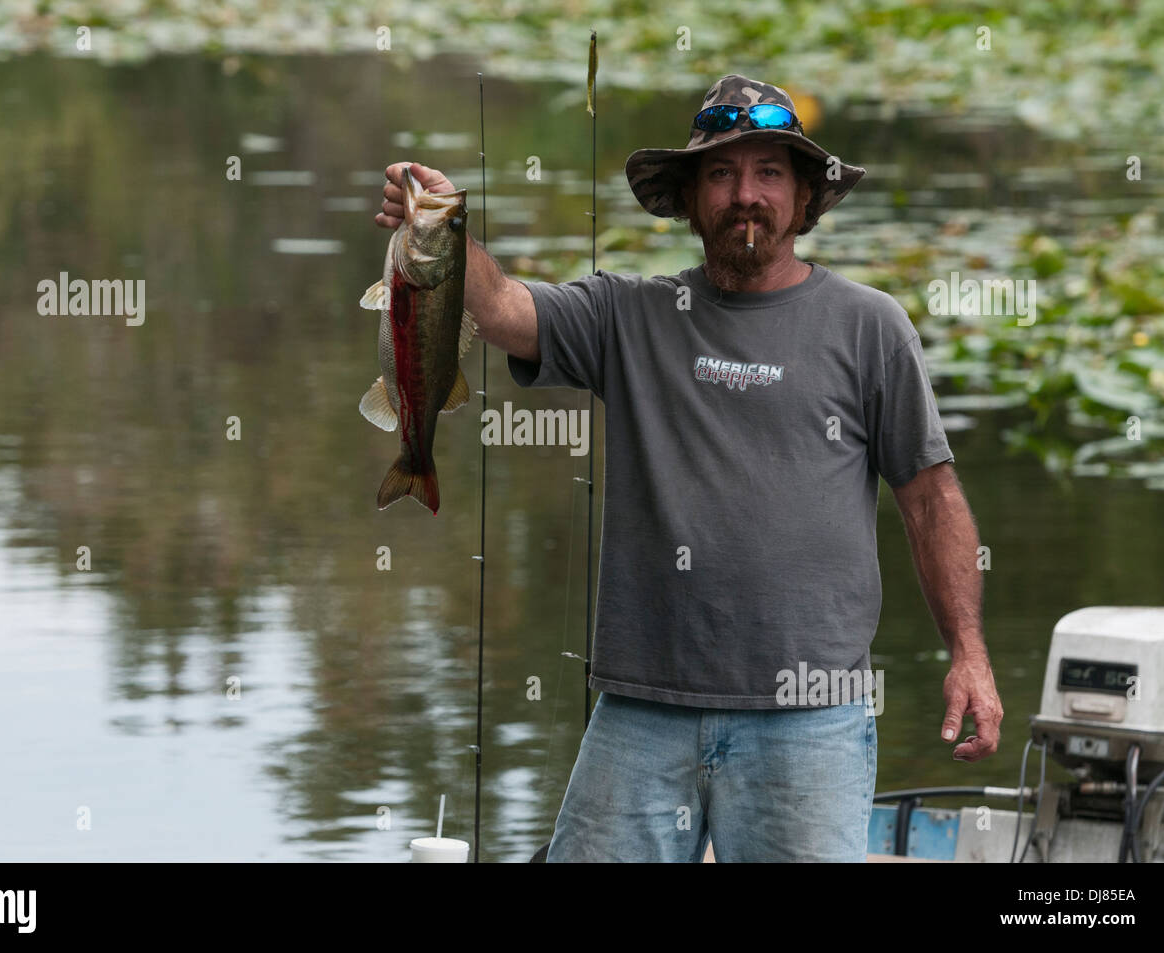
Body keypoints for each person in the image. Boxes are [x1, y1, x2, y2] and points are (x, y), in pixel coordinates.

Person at [374, 73, 1003, 863]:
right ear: (691, 197)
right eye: (722, 173)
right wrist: (441, 226)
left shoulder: (869, 327)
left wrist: (969, 654)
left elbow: (930, 498)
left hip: (810, 716)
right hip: (642, 708)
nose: (747, 194)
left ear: (805, 198)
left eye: (770, 172)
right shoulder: (626, 315)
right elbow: (500, 308)